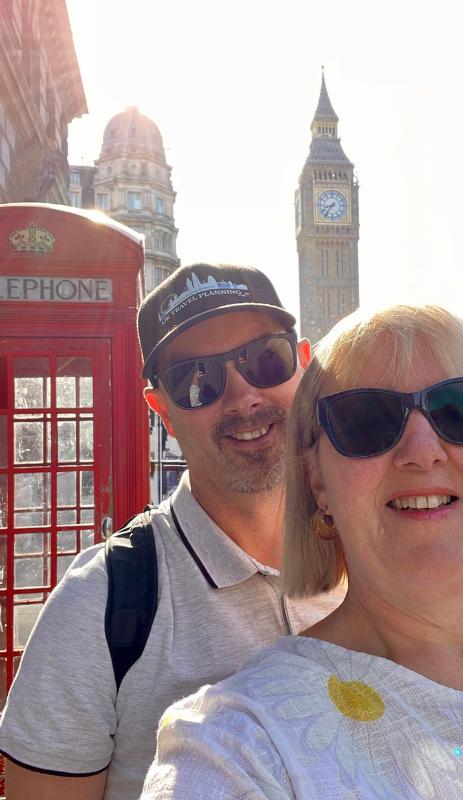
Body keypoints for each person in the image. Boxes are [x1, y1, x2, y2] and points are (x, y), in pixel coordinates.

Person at [142, 304, 463, 799]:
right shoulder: (239, 747)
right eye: (366, 419)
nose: (423, 450)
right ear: (317, 482)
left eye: (461, 410)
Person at [0, 263, 343, 800]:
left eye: (265, 359)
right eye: (195, 380)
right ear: (160, 407)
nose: (243, 396)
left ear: (303, 366)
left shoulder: (373, 556)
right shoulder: (99, 605)